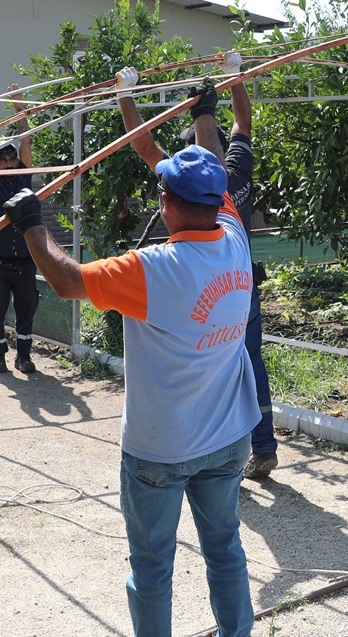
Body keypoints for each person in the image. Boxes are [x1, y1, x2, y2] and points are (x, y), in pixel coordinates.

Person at [2, 144, 259, 637]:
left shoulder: (153, 269)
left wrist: (31, 225)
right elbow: (201, 179)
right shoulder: (236, 240)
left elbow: (68, 281)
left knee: (151, 566)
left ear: (166, 205)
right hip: (227, 435)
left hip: (160, 448)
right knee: (226, 551)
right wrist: (204, 116)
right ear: (217, 200)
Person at [119, 55, 280, 480]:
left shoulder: (196, 186)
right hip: (240, 284)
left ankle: (210, 448)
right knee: (250, 361)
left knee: (206, 363)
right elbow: (243, 121)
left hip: (201, 285)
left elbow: (145, 146)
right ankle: (262, 446)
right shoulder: (237, 168)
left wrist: (125, 95)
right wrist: (234, 77)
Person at [0, 87, 39, 375]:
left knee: (27, 307)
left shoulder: (24, 176)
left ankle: (23, 356)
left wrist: (18, 108)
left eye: (13, 158)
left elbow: (25, 141)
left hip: (25, 254)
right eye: (4, 158)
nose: (10, 162)